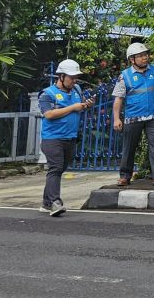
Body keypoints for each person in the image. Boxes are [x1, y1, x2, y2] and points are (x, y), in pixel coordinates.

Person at [112, 42, 154, 186]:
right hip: (133, 117)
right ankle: (125, 176)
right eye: (140, 56)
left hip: (153, 116)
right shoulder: (125, 76)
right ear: (132, 59)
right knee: (129, 147)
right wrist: (116, 118)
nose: (144, 58)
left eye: (145, 54)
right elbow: (118, 99)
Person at [38, 59, 94, 216]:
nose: (74, 80)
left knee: (59, 169)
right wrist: (73, 107)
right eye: (71, 77)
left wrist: (86, 105)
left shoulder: (76, 90)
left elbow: (79, 107)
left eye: (76, 77)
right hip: (52, 138)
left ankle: (46, 202)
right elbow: (48, 114)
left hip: (70, 137)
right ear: (61, 76)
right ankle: (56, 202)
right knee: (55, 168)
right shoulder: (47, 94)